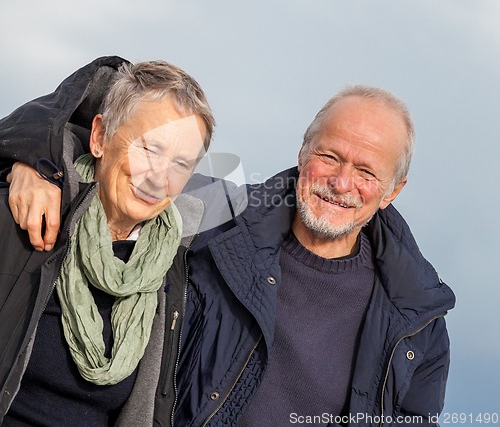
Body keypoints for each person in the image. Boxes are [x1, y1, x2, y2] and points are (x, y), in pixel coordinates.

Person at [1, 61, 455, 426]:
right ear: (302, 152)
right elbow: (127, 151)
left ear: (394, 190)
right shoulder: (218, 215)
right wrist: (35, 162)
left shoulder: (417, 318)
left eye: (366, 172)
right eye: (329, 156)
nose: (340, 182)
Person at [0, 58, 215, 426]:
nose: (159, 177)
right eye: (149, 148)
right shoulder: (22, 215)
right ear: (99, 137)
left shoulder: (179, 264)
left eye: (181, 164)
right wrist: (16, 160)